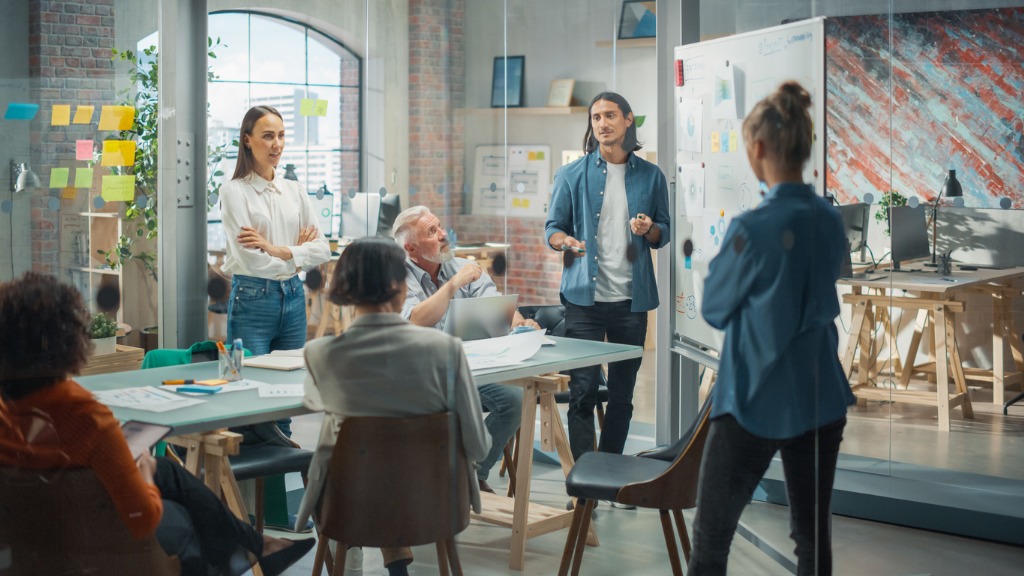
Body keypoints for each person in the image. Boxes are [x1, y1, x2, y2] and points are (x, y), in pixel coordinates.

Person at [0, 272, 315, 576]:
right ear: (70, 340)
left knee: (171, 472)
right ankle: (244, 553)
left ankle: (259, 546)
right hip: (93, 537)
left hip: (29, 538)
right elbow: (142, 520)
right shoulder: (90, 420)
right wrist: (144, 474)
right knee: (181, 513)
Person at [686, 82, 856, 576]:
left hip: (754, 401)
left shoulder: (750, 229)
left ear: (758, 149)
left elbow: (716, 308)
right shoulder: (829, 218)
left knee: (711, 543)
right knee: (813, 542)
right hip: (821, 396)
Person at [296, 238, 490, 576]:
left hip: (349, 511)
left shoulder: (320, 354)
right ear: (396, 287)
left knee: (361, 459)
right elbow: (478, 444)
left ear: (345, 288)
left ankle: (359, 563)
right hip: (438, 505)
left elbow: (318, 404)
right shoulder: (445, 349)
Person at [545, 92, 670, 466]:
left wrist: (649, 229)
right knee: (582, 392)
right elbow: (552, 228)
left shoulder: (651, 176)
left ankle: (610, 471)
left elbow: (664, 231)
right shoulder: (571, 174)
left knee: (622, 395)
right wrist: (563, 241)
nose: (602, 123)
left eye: (610, 115)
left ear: (629, 120)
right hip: (583, 301)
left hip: (630, 304)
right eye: (596, 117)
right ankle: (586, 483)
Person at [392, 205, 540, 494]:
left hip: (470, 366)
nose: (443, 235)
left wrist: (522, 324)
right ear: (411, 247)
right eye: (431, 232)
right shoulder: (397, 277)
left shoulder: (463, 266)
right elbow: (417, 320)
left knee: (515, 400)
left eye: (439, 226)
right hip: (423, 373)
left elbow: (497, 305)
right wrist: (454, 284)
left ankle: (471, 472)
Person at [220, 105, 330, 440]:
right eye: (268, 136)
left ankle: (278, 488)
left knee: (287, 400)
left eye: (281, 136)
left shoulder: (295, 191)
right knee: (246, 399)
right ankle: (247, 490)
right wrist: (298, 256)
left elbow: (323, 249)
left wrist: (279, 249)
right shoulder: (233, 191)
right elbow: (250, 259)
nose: (276, 144)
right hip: (251, 299)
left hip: (293, 299)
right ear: (247, 140)